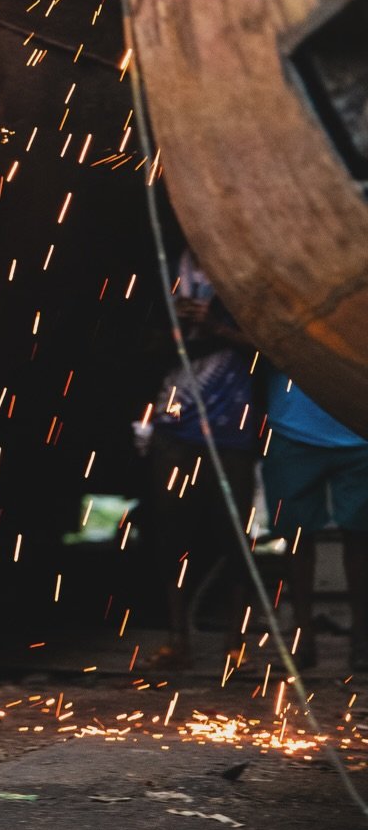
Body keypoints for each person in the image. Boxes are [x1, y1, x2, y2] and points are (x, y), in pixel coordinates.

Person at [143, 252, 258, 668]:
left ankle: (235, 642)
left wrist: (216, 328)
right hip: (175, 423)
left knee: (235, 535)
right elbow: (139, 343)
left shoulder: (243, 271)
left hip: (233, 423)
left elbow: (270, 343)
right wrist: (175, 325)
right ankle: (177, 638)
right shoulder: (160, 269)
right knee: (172, 533)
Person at [263, 372, 368, 673]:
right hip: (293, 428)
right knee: (296, 539)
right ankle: (304, 639)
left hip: (359, 429)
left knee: (360, 537)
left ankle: (361, 640)